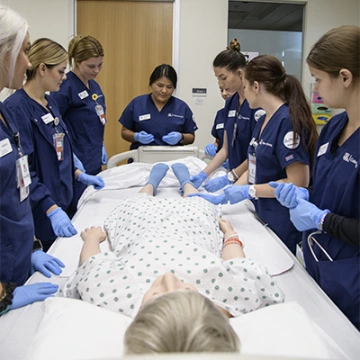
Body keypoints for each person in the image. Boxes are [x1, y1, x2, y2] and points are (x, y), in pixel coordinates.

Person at [62, 163, 284, 352]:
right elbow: (238, 265)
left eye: (156, 294)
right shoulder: (231, 298)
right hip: (192, 231)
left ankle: (149, 185)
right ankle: (187, 184)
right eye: (187, 290)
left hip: (141, 231)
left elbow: (92, 266)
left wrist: (92, 239)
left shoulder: (117, 298)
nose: (168, 277)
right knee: (198, 205)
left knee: (135, 206)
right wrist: (230, 235)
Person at [270, 26, 360, 329]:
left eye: (319, 79)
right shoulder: (334, 127)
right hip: (321, 267)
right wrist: (305, 196)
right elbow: (322, 183)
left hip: (353, 282)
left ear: (345, 77)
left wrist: (321, 220)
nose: (317, 89)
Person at [190, 55, 318, 255]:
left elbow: (298, 181)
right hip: (262, 210)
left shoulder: (287, 122)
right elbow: (253, 163)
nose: (244, 93)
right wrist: (228, 192)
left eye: (246, 87)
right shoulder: (264, 120)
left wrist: (250, 191)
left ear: (256, 87)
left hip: (281, 217)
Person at [4, 38, 104, 252]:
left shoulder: (49, 104)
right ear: (42, 69)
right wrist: (50, 208)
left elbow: (58, 150)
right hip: (40, 210)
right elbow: (23, 170)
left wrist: (76, 173)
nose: (65, 77)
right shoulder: (17, 109)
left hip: (62, 200)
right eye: (60, 71)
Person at [0, 5, 61, 316]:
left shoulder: (5, 114)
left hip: (15, 260)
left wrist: (32, 250)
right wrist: (2, 296)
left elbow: (16, 187)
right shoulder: (15, 107)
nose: (27, 62)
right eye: (23, 51)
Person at [191, 39, 265, 192]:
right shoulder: (231, 103)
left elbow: (257, 153)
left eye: (223, 78)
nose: (220, 83)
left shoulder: (258, 104)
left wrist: (231, 177)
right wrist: (203, 174)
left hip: (254, 179)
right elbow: (225, 149)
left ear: (239, 74)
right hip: (234, 175)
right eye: (217, 78)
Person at [50, 35, 107, 205]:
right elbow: (54, 126)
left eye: (100, 65)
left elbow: (96, 119)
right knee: (78, 209)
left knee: (92, 206)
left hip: (93, 157)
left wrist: (100, 144)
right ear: (77, 61)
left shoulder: (94, 85)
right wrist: (71, 157)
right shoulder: (65, 87)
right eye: (91, 66)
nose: (96, 70)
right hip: (76, 163)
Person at [118, 64, 198, 152]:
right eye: (160, 85)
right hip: (142, 157)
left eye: (169, 87)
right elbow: (124, 132)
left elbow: (191, 137)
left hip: (173, 158)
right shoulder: (137, 104)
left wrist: (181, 137)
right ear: (151, 84)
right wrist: (136, 137)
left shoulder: (182, 107)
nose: (164, 91)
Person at [204, 86, 234, 162]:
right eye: (221, 90)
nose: (224, 93)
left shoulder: (246, 114)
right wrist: (214, 146)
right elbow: (218, 140)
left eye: (227, 89)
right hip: (221, 161)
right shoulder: (220, 114)